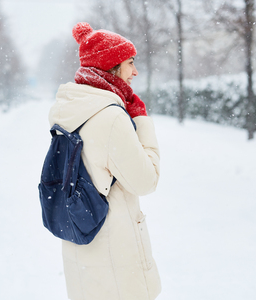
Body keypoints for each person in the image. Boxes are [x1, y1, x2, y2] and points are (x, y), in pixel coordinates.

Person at [48, 22, 161, 300]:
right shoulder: (110, 117)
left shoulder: (70, 109)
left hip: (83, 245)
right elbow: (146, 180)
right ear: (112, 66)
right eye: (130, 63)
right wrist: (141, 120)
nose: (134, 71)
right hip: (117, 258)